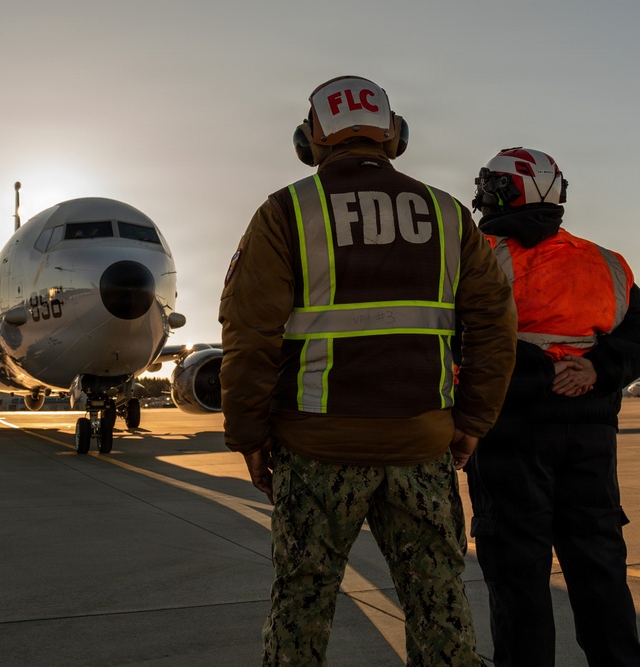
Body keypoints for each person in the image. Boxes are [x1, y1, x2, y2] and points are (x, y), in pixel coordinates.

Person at [219, 75, 517, 666]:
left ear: (310, 141)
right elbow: (494, 330)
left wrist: (248, 437)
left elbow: (250, 339)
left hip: (316, 450)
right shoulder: (450, 214)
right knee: (440, 607)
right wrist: (473, 420)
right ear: (395, 136)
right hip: (421, 446)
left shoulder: (285, 212)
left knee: (301, 606)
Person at [465, 147, 640, 667]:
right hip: (591, 435)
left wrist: (540, 374)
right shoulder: (604, 261)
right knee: (600, 572)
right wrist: (596, 369)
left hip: (511, 432)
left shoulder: (477, 257)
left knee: (518, 578)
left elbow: (461, 340)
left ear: (499, 193)